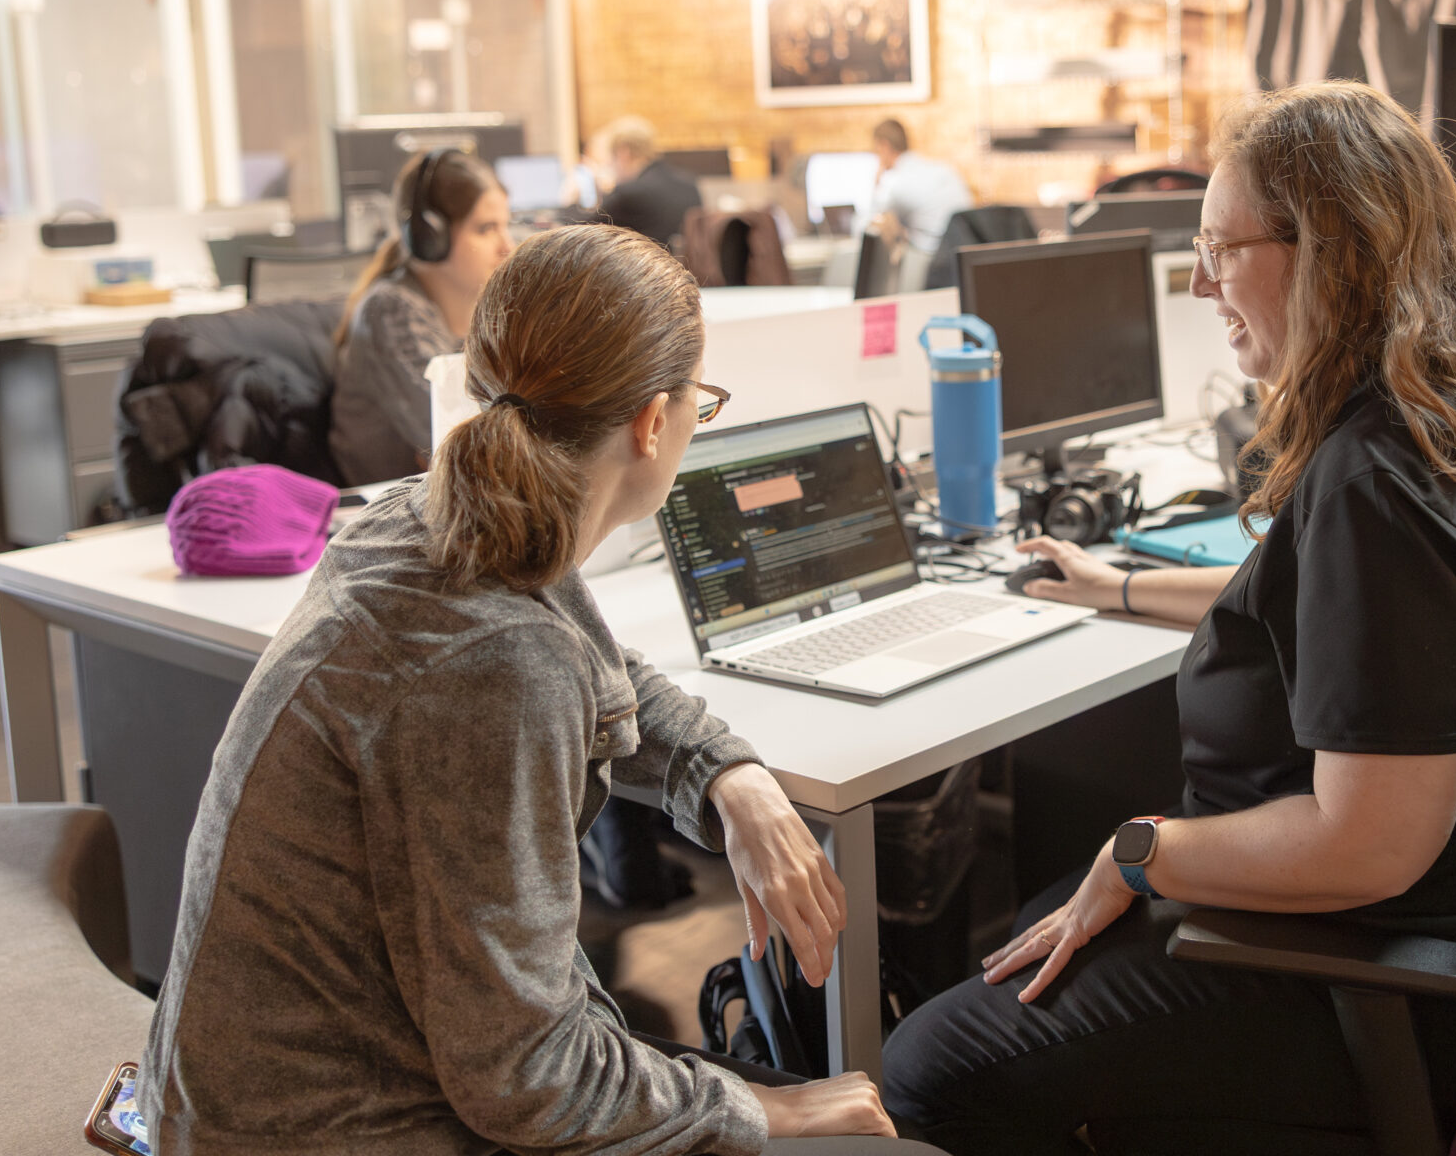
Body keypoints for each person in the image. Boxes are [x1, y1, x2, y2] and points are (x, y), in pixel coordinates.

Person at [881, 81, 1456, 1154]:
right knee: (1028, 923)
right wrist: (1118, 584)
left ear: (1335, 252)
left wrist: (1143, 851)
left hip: (1372, 966)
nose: (1196, 282)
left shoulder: (1380, 479)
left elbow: (1369, 842)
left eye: (1220, 249)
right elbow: (1302, 596)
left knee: (930, 1068)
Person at [139, 224, 902, 1154]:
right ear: (652, 423)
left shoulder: (432, 513)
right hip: (333, 1127)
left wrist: (725, 775)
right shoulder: (495, 665)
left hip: (300, 1076)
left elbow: (591, 656)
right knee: (851, 1129)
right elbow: (532, 1083)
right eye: (701, 404)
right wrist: (761, 1113)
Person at [329, 148, 512, 486]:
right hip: (394, 517)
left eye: (505, 225)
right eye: (486, 228)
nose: (507, 246)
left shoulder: (483, 311)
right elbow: (460, 438)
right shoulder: (390, 312)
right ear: (431, 237)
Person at [864, 119, 971, 257]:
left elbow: (870, 228)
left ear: (884, 146)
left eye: (875, 150)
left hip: (930, 259)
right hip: (960, 256)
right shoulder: (944, 170)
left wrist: (876, 184)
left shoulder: (898, 183)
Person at [597, 115, 704, 249]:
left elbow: (583, 227)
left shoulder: (629, 193)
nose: (609, 165)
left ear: (623, 153)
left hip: (644, 268)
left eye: (610, 159)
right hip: (680, 268)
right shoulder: (690, 184)